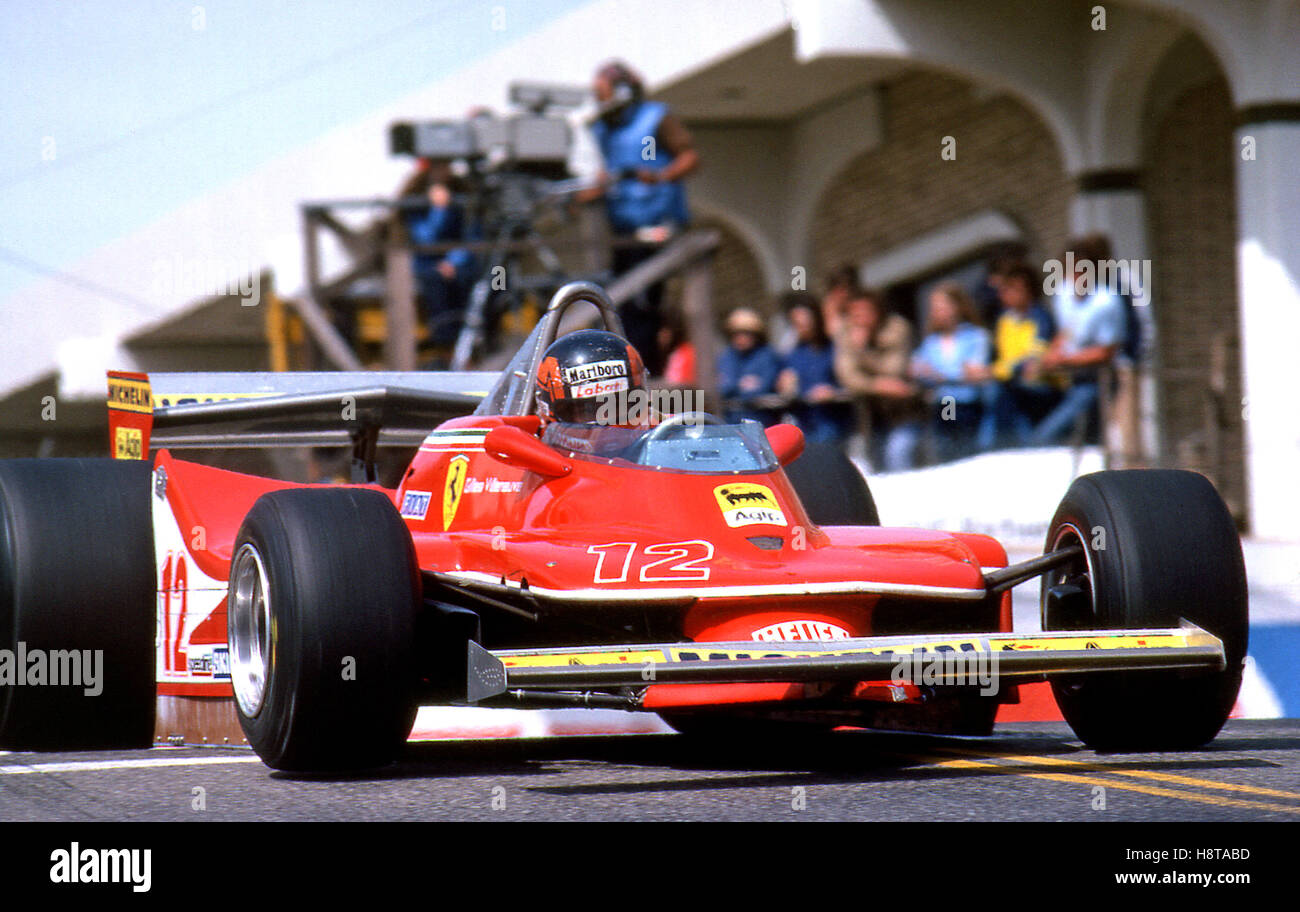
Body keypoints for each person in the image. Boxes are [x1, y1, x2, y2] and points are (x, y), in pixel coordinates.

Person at [576, 60, 700, 374]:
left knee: (648, 303)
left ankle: (652, 370)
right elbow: (604, 171)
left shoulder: (655, 117)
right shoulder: (603, 128)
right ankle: (629, 366)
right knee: (623, 304)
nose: (601, 102)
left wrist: (660, 176)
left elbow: (690, 157)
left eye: (604, 94)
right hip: (623, 229)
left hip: (657, 223)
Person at [1029, 240, 1125, 445]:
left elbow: (1106, 351)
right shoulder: (1064, 295)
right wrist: (1048, 356)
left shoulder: (1106, 302)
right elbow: (1067, 331)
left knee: (1048, 435)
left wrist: (1065, 360)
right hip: (1069, 379)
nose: (1075, 277)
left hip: (1097, 381)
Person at [833, 290, 921, 471]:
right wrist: (877, 384)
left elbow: (895, 369)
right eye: (855, 315)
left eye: (865, 312)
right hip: (870, 418)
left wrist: (864, 356)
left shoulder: (897, 328)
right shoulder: (847, 336)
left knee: (898, 455)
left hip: (903, 412)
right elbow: (847, 376)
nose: (860, 319)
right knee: (876, 466)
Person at [974, 262, 1059, 449]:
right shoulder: (1004, 320)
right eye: (1005, 290)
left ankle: (992, 446)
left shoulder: (1042, 318)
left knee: (999, 392)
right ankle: (998, 446)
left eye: (1013, 289)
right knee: (994, 393)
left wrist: (992, 372)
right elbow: (1003, 359)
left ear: (1029, 290)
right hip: (1012, 385)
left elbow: (1032, 362)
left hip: (1042, 387)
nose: (1007, 295)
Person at [536, 329, 651, 457]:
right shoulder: (530, 465)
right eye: (588, 410)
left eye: (618, 405)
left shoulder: (664, 436)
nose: (607, 419)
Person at [910, 283, 991, 461]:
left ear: (957, 306)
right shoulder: (931, 342)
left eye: (942, 306)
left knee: (969, 451)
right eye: (934, 308)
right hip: (945, 403)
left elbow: (974, 371)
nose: (937, 312)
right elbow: (917, 367)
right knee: (945, 450)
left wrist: (940, 375)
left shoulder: (976, 336)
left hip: (968, 404)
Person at [403, 169, 475, 346]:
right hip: (428, 265)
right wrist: (439, 210)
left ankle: (471, 334)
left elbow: (471, 236)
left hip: (459, 264)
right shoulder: (415, 207)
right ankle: (443, 339)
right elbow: (426, 239)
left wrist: (452, 262)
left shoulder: (464, 202)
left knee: (487, 280)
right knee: (435, 284)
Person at [777, 293, 849, 445]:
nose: (803, 326)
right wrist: (784, 386)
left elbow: (850, 380)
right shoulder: (793, 355)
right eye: (797, 323)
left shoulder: (833, 348)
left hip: (835, 421)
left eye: (806, 320)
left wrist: (833, 391)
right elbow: (787, 389)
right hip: (806, 422)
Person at [717, 307, 780, 425]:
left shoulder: (767, 356)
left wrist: (737, 389)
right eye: (736, 333)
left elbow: (765, 387)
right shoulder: (727, 356)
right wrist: (739, 385)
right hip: (732, 422)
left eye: (746, 333)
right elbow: (724, 388)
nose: (740, 338)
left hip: (761, 421)